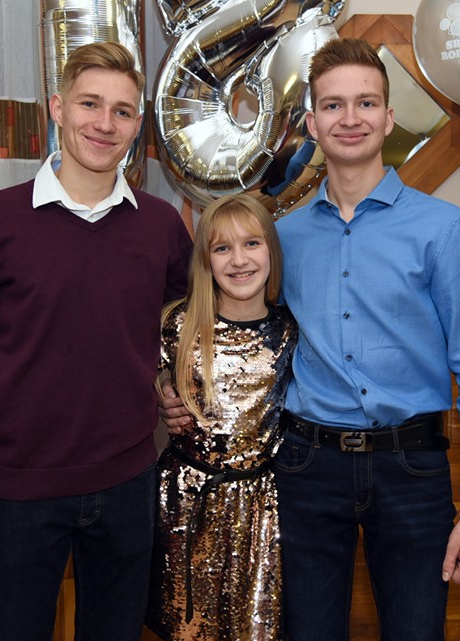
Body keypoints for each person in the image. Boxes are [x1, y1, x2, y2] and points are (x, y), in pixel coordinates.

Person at [160, 38, 460, 640]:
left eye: (365, 103)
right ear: (313, 123)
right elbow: (234, 330)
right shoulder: (281, 239)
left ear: (388, 117)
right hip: (306, 467)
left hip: (411, 467)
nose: (351, 118)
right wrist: (173, 385)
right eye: (333, 105)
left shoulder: (444, 230)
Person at [0, 42, 193, 641]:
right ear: (57, 108)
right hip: (19, 497)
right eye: (90, 104)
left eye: (122, 111)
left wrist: (172, 385)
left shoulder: (161, 226)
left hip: (128, 488)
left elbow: (187, 329)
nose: (105, 123)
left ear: (137, 126)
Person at [147, 194, 297, 641]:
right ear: (205, 260)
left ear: (272, 250)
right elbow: (135, 379)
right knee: (188, 629)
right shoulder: (176, 325)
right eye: (222, 248)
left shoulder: (291, 330)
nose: (239, 260)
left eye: (251, 243)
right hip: (185, 505)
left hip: (264, 512)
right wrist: (160, 389)